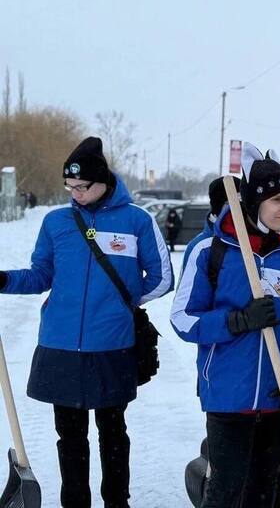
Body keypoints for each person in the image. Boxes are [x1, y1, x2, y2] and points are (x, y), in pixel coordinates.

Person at [0, 136, 174, 508]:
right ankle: (74, 502)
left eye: (83, 186)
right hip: (60, 345)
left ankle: (116, 501)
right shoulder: (56, 222)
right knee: (70, 436)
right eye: (70, 187)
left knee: (112, 431)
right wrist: (4, 280)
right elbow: (40, 275)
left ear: (104, 181)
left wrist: (123, 302)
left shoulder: (136, 220)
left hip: (112, 345)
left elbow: (162, 277)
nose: (76, 194)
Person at [170, 151, 280, 508]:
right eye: (276, 200)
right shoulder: (212, 252)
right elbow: (182, 318)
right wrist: (236, 321)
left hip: (278, 395)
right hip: (227, 395)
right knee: (225, 492)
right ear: (254, 202)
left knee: (265, 493)